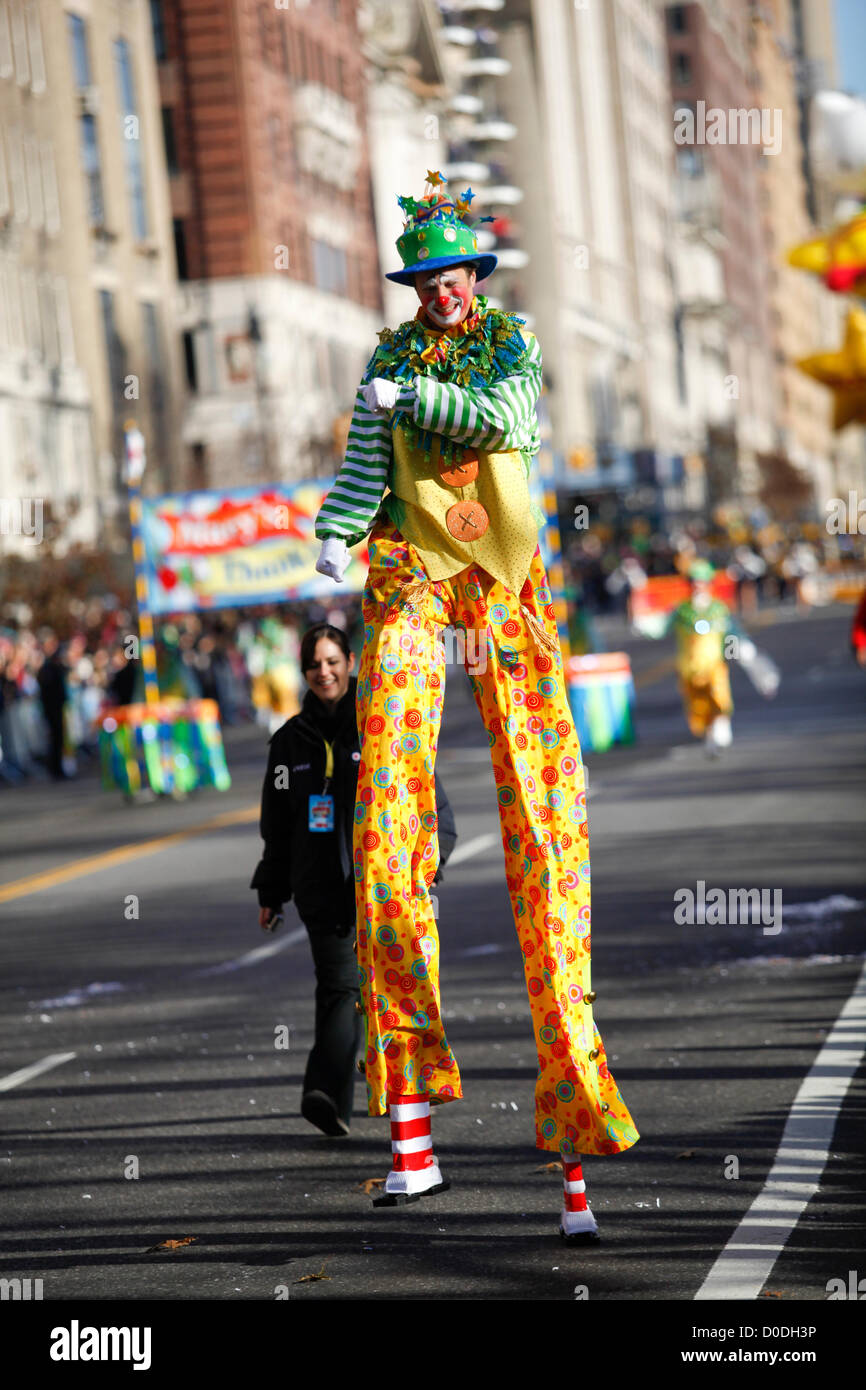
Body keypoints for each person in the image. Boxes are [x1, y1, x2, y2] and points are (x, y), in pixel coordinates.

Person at [313, 174, 639, 1242]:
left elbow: (503, 421)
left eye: (453, 272)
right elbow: (367, 458)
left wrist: (418, 405)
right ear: (412, 284)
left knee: (544, 825)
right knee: (386, 820)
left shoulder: (510, 343)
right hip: (409, 576)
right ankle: (409, 1129)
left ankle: (574, 1125)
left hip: (499, 586)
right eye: (425, 277)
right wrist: (337, 524)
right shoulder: (385, 359)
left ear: (474, 276)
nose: (441, 289)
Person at [250, 623, 456, 1138]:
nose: (324, 672)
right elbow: (276, 826)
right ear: (304, 672)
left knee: (384, 991)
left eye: (333, 662)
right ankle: (328, 1096)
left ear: (350, 663)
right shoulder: (287, 744)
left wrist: (427, 870)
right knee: (340, 986)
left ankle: (397, 1093)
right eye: (314, 664)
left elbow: (432, 806)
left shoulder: (380, 728)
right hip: (322, 891)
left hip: (383, 892)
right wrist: (271, 892)